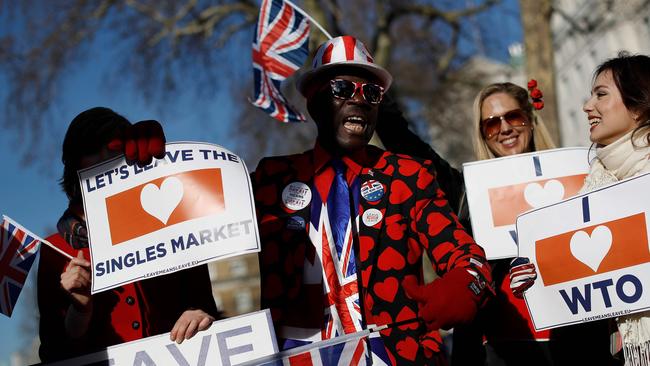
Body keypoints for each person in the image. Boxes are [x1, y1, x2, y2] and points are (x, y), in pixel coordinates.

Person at [253, 35, 493, 365]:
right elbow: (196, 233)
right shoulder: (272, 180)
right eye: (342, 88)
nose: (360, 99)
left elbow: (466, 255)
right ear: (315, 102)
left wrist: (468, 283)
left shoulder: (408, 176)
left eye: (371, 92)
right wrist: (159, 164)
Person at [376, 81, 558, 365]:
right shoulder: (468, 194)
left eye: (513, 117)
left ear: (530, 119)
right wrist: (375, 92)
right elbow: (405, 144)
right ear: (483, 135)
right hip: (494, 351)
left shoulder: (571, 179)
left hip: (567, 344)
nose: (505, 129)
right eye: (491, 124)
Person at [37, 107, 219, 362]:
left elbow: (204, 304)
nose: (104, 159)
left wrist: (198, 314)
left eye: (113, 150)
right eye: (91, 150)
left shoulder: (170, 223)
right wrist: (80, 309)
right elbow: (54, 352)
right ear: (74, 165)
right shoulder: (54, 249)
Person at [516, 52, 650, 366]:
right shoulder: (592, 183)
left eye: (601, 95)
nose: (587, 106)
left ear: (640, 103)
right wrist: (539, 274)